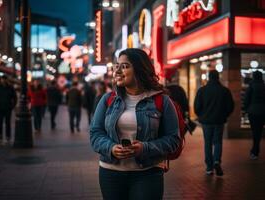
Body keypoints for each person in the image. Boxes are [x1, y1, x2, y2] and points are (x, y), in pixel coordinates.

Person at [90, 48, 180, 200]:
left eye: (124, 66)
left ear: (140, 69)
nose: (117, 71)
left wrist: (144, 148)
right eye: (116, 66)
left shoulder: (162, 101)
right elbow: (95, 133)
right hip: (111, 173)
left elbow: (173, 139)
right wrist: (111, 148)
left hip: (148, 173)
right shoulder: (108, 99)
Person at [194, 70, 234, 176]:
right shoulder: (224, 90)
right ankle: (217, 161)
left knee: (208, 143)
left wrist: (201, 116)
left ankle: (209, 167)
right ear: (218, 77)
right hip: (219, 120)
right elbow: (230, 106)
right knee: (217, 142)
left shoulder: (202, 90)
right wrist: (224, 115)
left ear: (209, 77)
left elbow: (197, 107)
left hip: (206, 121)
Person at [244, 71, 265, 160]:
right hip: (263, 111)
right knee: (259, 131)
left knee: (255, 131)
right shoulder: (264, 86)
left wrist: (246, 110)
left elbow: (246, 100)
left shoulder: (251, 86)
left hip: (253, 112)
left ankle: (255, 151)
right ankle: (255, 149)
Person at [0, 75, 17, 142]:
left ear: (7, 80)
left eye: (4, 79)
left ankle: (8, 136)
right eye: (2, 79)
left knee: (8, 123)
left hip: (8, 108)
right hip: (0, 108)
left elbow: (15, 97)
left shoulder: (10, 88)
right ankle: (0, 135)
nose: (3, 80)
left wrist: (12, 106)